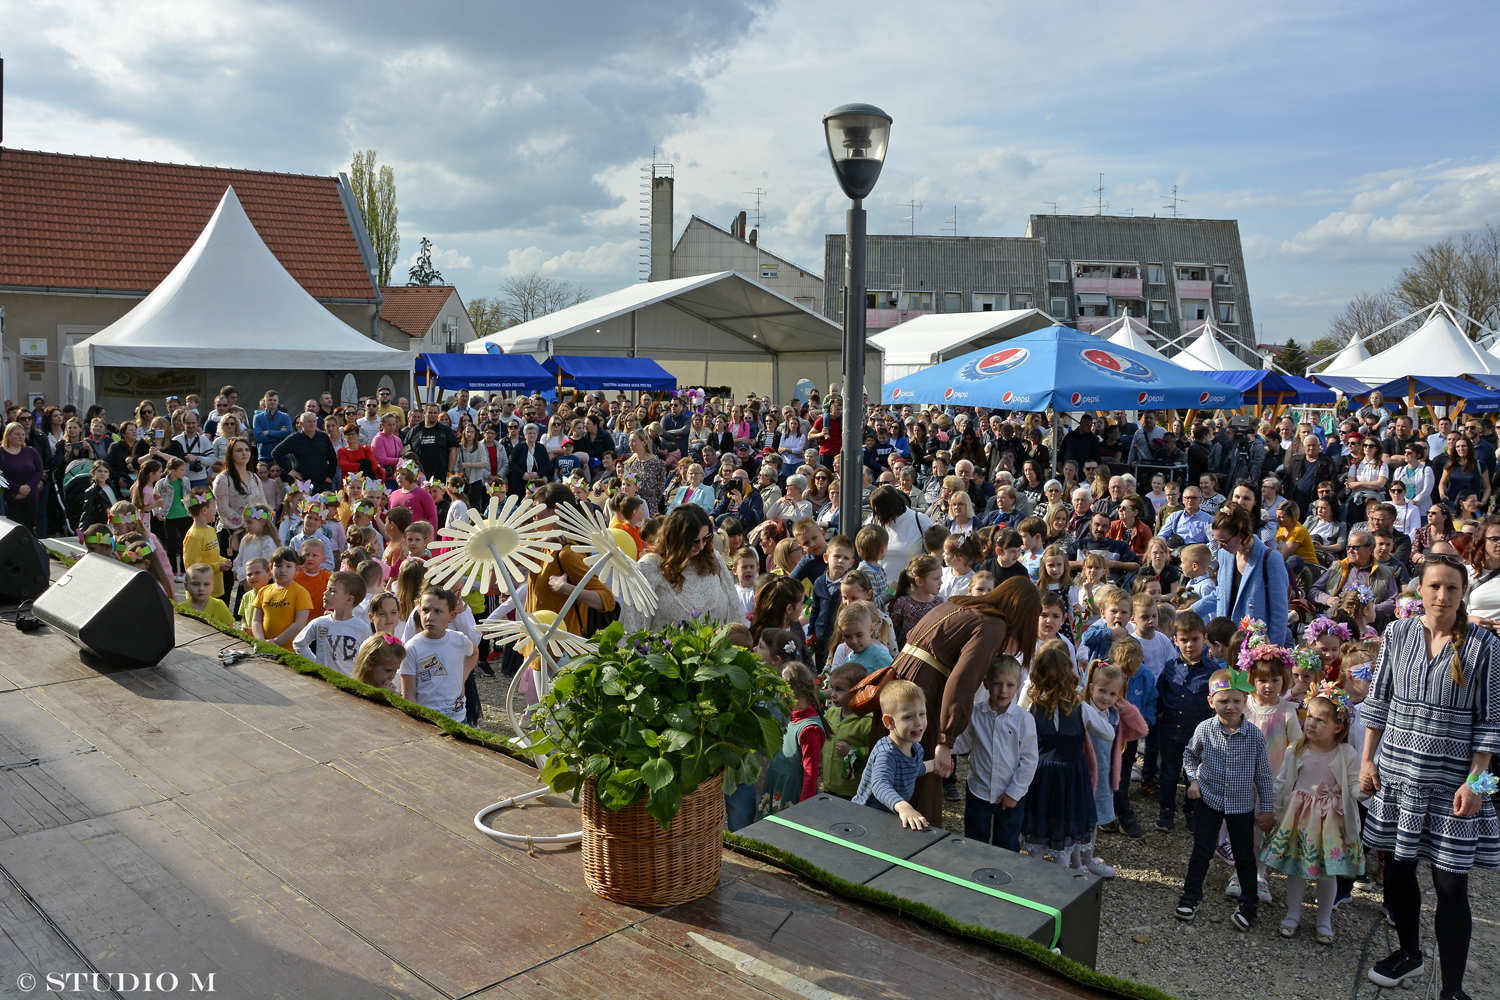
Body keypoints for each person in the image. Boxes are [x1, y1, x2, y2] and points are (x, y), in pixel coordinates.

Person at [1361, 556, 1499, 999]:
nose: (1442, 596)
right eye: (1435, 586)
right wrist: (1367, 761)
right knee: (1398, 870)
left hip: (1451, 783)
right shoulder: (1398, 633)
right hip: (1398, 774)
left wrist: (1476, 785)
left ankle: (1453, 990)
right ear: (1419, 589)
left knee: (1451, 883)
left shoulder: (1484, 646)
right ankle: (1408, 953)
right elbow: (1378, 702)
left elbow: (1491, 724)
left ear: (1464, 594)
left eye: (1452, 589)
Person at [873, 575, 1040, 826]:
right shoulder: (994, 625)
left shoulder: (960, 603)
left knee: (889, 762)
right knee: (922, 769)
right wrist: (945, 741)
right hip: (922, 690)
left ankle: (876, 825)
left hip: (899, 681)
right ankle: (916, 849)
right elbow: (964, 680)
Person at [1261, 683, 1365, 944]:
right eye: (1310, 717)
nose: (1312, 724)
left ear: (1338, 728)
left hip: (1330, 820)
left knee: (1327, 871)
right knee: (1296, 867)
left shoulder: (1346, 753)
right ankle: (1293, 913)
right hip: (1298, 818)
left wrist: (1366, 790)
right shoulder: (1296, 749)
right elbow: (1283, 783)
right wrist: (1273, 812)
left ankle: (1323, 919)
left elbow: (1354, 787)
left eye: (1321, 720)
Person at [1174, 668, 1275, 930]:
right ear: (1211, 702)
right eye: (1222, 701)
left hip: (1241, 805)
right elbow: (1189, 755)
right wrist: (1193, 779)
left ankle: (1249, 904)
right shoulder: (1205, 729)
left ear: (1245, 701)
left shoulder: (1254, 736)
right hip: (1210, 800)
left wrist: (1267, 809)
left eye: (1236, 701)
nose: (1230, 706)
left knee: (1245, 855)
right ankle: (1191, 896)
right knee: (1201, 851)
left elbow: (1263, 775)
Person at [952, 654, 1036, 851]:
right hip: (979, 790)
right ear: (986, 683)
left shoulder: (1024, 720)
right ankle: (973, 875)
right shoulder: (976, 713)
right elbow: (964, 742)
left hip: (1010, 793)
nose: (1003, 690)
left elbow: (1029, 760)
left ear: (1018, 686)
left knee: (1006, 843)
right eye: (997, 683)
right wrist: (943, 747)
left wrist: (1014, 793)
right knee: (974, 839)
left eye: (1009, 685)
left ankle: (1002, 875)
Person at [619, 502, 739, 633]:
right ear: (676, 539)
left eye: (706, 538)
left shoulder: (714, 558)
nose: (701, 547)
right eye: (694, 541)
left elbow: (734, 613)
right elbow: (632, 628)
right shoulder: (649, 567)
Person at [1193, 505, 1290, 646]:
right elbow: (1220, 595)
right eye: (1217, 541)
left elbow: (1279, 614)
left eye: (1224, 541)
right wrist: (1190, 611)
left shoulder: (1271, 559)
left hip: (1256, 647)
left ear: (1241, 535)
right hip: (1227, 644)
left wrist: (1272, 652)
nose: (1219, 547)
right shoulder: (1225, 554)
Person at [852, 678, 938, 830]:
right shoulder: (886, 753)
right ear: (889, 722)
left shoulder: (916, 749)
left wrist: (934, 765)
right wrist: (904, 807)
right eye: (909, 717)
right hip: (865, 817)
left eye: (922, 714)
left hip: (888, 815)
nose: (918, 722)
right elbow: (880, 784)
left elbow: (911, 769)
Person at [398, 586, 478, 723]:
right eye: (425, 610)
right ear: (419, 612)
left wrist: (462, 679)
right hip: (427, 721)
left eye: (438, 611)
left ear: (451, 616)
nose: (429, 617)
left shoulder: (459, 640)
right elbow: (409, 694)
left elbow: (474, 653)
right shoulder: (412, 648)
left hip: (458, 718)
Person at [758, 662, 828, 817]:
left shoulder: (809, 730)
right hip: (779, 788)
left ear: (788, 692)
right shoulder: (791, 717)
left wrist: (802, 811)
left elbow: (811, 776)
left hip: (792, 794)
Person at [293, 571, 372, 676]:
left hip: (349, 684)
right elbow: (299, 644)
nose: (325, 593)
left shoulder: (362, 628)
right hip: (322, 681)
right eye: (327, 589)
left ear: (349, 599)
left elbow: (367, 658)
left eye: (332, 590)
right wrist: (316, 664)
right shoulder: (319, 623)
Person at [252, 546, 314, 650]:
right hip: (265, 646)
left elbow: (300, 624)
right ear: (271, 568)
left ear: (297, 569)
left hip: (290, 650)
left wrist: (276, 641)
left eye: (288, 566)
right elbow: (256, 620)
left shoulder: (300, 592)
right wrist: (261, 640)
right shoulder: (263, 591)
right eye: (278, 566)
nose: (283, 570)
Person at [0, 421, 45, 532]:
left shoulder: (31, 451)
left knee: (28, 530)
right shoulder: (1, 453)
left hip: (30, 498)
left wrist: (27, 487)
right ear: (8, 435)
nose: (21, 437)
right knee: (11, 532)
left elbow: (39, 471)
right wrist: (18, 488)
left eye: (23, 434)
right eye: (17, 434)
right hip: (9, 499)